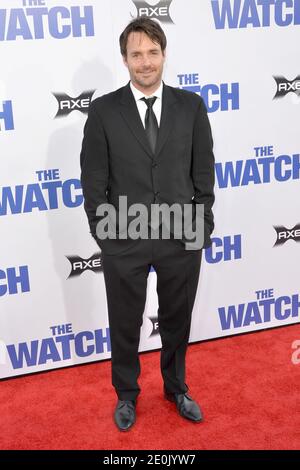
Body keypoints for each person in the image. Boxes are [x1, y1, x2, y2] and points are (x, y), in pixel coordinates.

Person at [80, 17, 215, 431]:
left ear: (164, 54)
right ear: (124, 59)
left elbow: (203, 171)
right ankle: (126, 394)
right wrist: (107, 234)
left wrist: (201, 224)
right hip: (124, 238)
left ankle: (176, 387)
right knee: (124, 321)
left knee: (178, 318)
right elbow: (93, 180)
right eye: (136, 54)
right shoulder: (103, 111)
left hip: (181, 235)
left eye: (152, 52)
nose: (145, 62)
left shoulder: (191, 106)